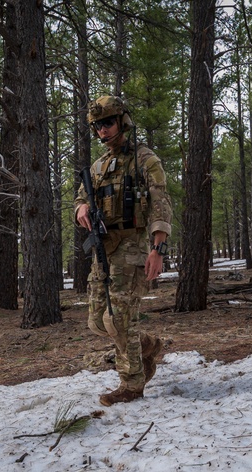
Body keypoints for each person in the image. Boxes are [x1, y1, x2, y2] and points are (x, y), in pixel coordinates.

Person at [75, 95, 173, 407]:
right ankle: (148, 345)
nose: (103, 130)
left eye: (108, 123)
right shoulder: (98, 167)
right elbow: (80, 200)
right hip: (103, 249)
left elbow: (161, 205)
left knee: (118, 320)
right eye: (97, 125)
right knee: (96, 321)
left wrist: (157, 249)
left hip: (131, 248)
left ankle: (132, 383)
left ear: (122, 122)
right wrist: (81, 210)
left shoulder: (145, 160)